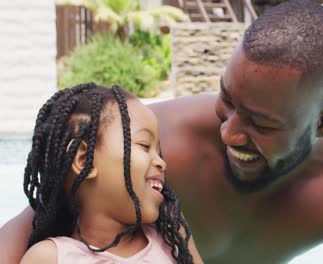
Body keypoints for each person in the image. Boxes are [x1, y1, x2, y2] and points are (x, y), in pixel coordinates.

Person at [0, 1, 323, 263]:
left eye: (261, 123)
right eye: (226, 99)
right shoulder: (155, 145)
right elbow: (33, 222)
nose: (229, 132)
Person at [16, 83, 201, 263]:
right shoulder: (49, 258)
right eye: (144, 145)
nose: (161, 162)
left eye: (158, 151)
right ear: (84, 160)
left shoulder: (172, 238)